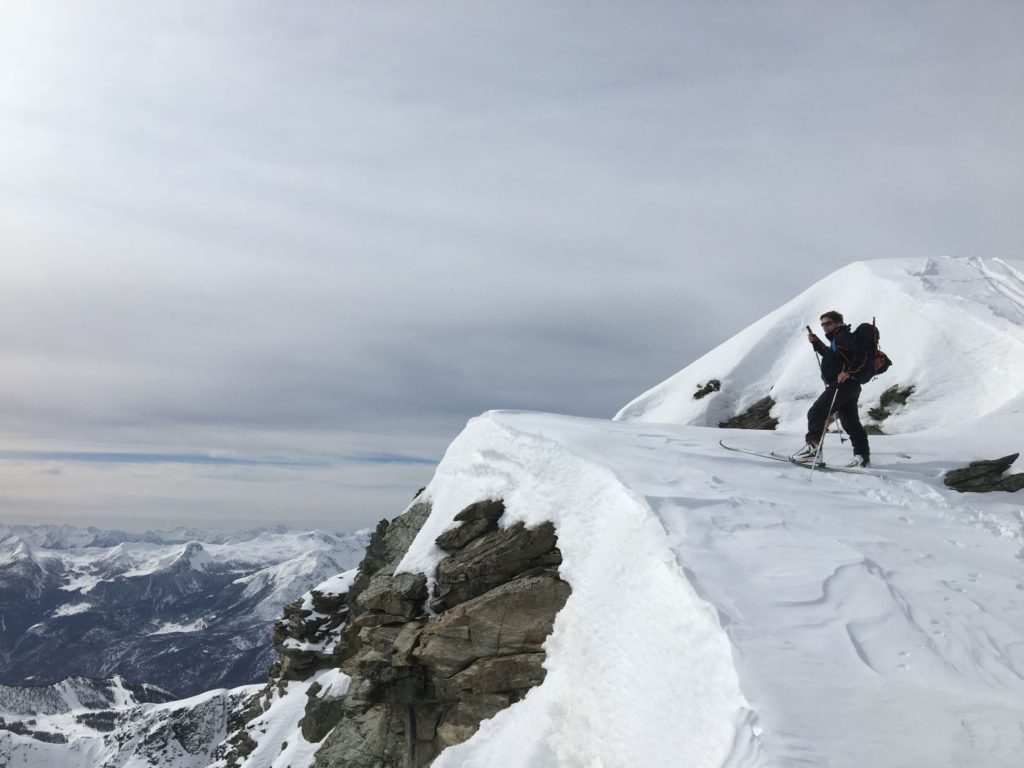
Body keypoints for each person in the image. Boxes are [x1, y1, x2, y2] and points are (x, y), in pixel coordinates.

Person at [792, 310, 871, 467]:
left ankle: (813, 453)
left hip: (843, 385)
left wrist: (849, 372)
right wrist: (817, 343)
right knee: (850, 422)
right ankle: (862, 456)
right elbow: (832, 356)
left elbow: (861, 353)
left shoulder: (842, 336)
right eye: (822, 325)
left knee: (816, 412)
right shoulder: (838, 339)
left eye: (828, 323)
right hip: (850, 386)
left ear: (838, 323)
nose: (825, 327)